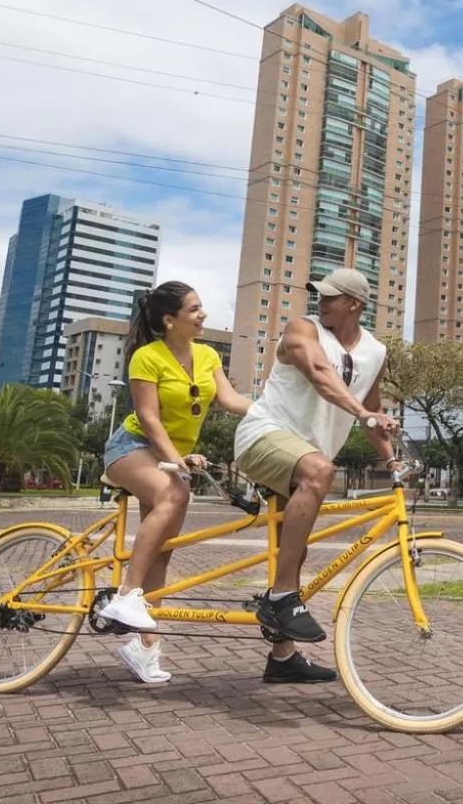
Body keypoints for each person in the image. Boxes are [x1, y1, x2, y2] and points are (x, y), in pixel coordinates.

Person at [234, 267, 399, 684]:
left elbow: (372, 411)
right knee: (320, 470)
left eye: (330, 297)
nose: (320, 302)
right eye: (318, 295)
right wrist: (362, 412)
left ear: (355, 305)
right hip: (263, 437)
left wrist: (392, 460)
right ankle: (283, 597)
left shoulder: (375, 353)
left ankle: (282, 657)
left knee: (295, 549)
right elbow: (321, 375)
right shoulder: (301, 329)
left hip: (305, 460)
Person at [97, 280, 253, 683]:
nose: (202, 315)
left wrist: (275, 410)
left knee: (162, 553)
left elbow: (232, 401)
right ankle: (125, 595)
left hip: (168, 455)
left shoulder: (206, 355)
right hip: (131, 448)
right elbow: (148, 418)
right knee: (176, 494)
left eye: (202, 307)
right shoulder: (146, 358)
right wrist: (177, 461)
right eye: (194, 309)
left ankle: (145, 648)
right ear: (170, 320)